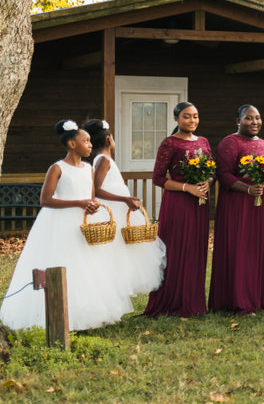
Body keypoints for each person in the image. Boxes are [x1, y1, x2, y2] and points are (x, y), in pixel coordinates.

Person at [1, 122, 134, 331]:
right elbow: (45, 200)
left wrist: (91, 206)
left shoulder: (89, 168)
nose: (90, 145)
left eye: (90, 141)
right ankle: (53, 312)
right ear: (72, 144)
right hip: (58, 222)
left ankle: (87, 311)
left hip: (82, 223)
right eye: (85, 141)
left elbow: (90, 197)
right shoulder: (57, 168)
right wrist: (77, 203)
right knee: (62, 261)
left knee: (88, 266)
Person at [145, 102, 212, 317]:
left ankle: (194, 302)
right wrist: (187, 188)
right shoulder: (169, 143)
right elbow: (157, 178)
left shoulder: (203, 142)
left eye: (195, 116)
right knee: (176, 250)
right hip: (178, 204)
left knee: (196, 249)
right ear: (176, 119)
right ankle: (171, 300)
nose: (192, 121)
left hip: (200, 203)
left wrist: (208, 182)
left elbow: (213, 169)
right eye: (186, 117)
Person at [210, 105, 264, 313]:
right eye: (249, 118)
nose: (255, 122)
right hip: (239, 204)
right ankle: (238, 298)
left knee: (260, 249)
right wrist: (248, 189)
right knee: (241, 249)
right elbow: (224, 175)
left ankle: (259, 296)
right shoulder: (230, 142)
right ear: (238, 121)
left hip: (263, 205)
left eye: (258, 118)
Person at [84, 118, 165, 298]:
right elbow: (96, 190)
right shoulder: (103, 160)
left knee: (122, 251)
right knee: (116, 252)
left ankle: (118, 290)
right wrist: (124, 198)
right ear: (108, 140)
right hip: (115, 209)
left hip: (119, 208)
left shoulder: (104, 159)